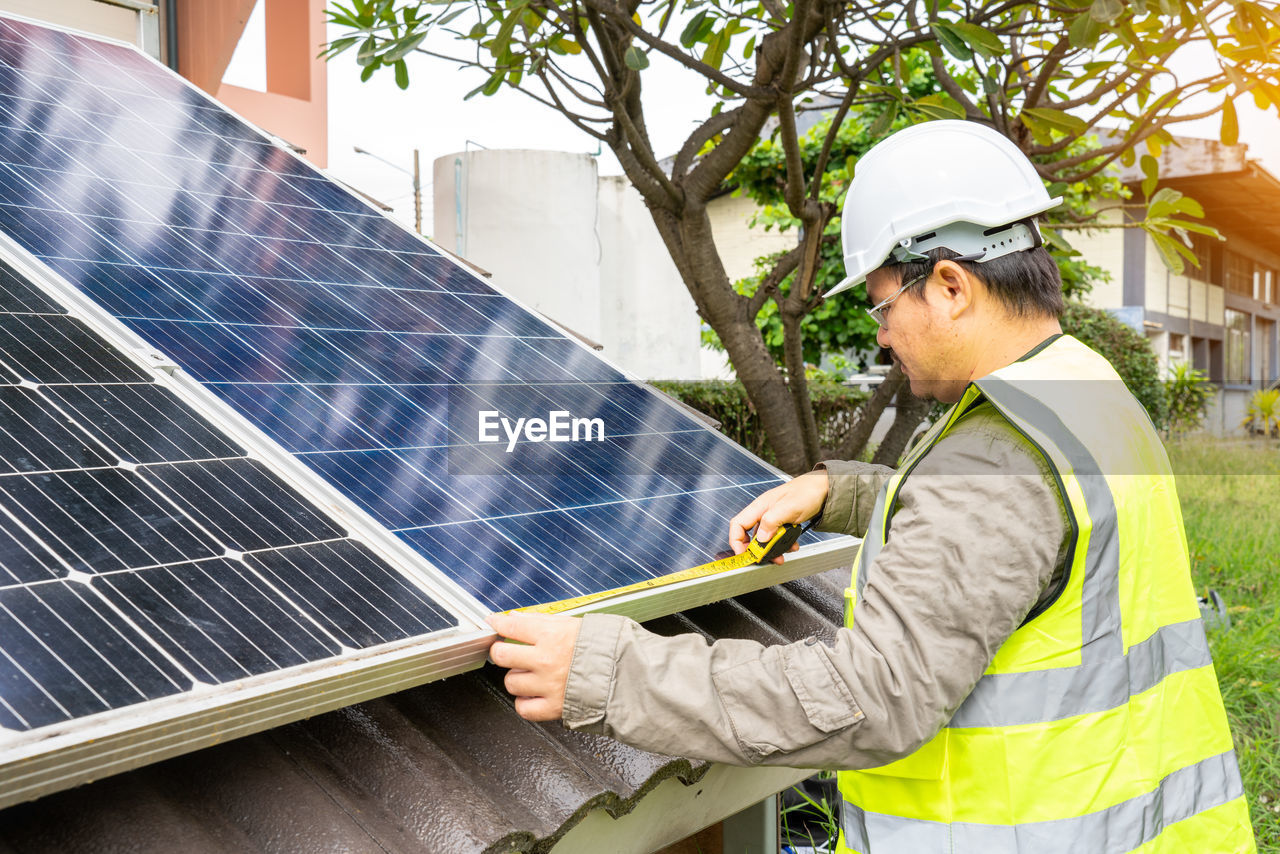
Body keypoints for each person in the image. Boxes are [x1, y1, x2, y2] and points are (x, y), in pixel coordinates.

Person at [486, 120, 1254, 853]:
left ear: (950, 285)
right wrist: (844, 489)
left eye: (884, 305)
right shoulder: (1082, 389)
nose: (882, 335)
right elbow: (1020, 539)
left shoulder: (997, 456)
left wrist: (611, 671)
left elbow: (874, 692)